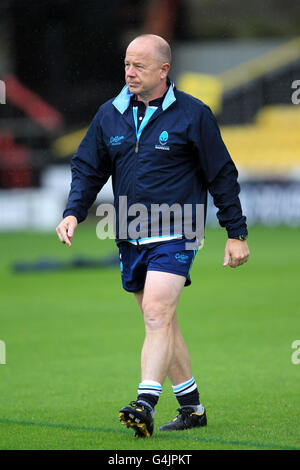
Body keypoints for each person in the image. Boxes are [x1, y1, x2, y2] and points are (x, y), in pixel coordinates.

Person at [56, 34, 250, 438]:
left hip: (178, 230)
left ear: (164, 70)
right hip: (130, 234)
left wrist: (236, 233)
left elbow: (221, 174)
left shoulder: (194, 114)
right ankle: (192, 409)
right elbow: (87, 168)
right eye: (127, 64)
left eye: (139, 66)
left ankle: (145, 402)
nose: (130, 72)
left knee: (157, 313)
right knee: (164, 322)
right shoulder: (110, 113)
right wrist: (73, 212)